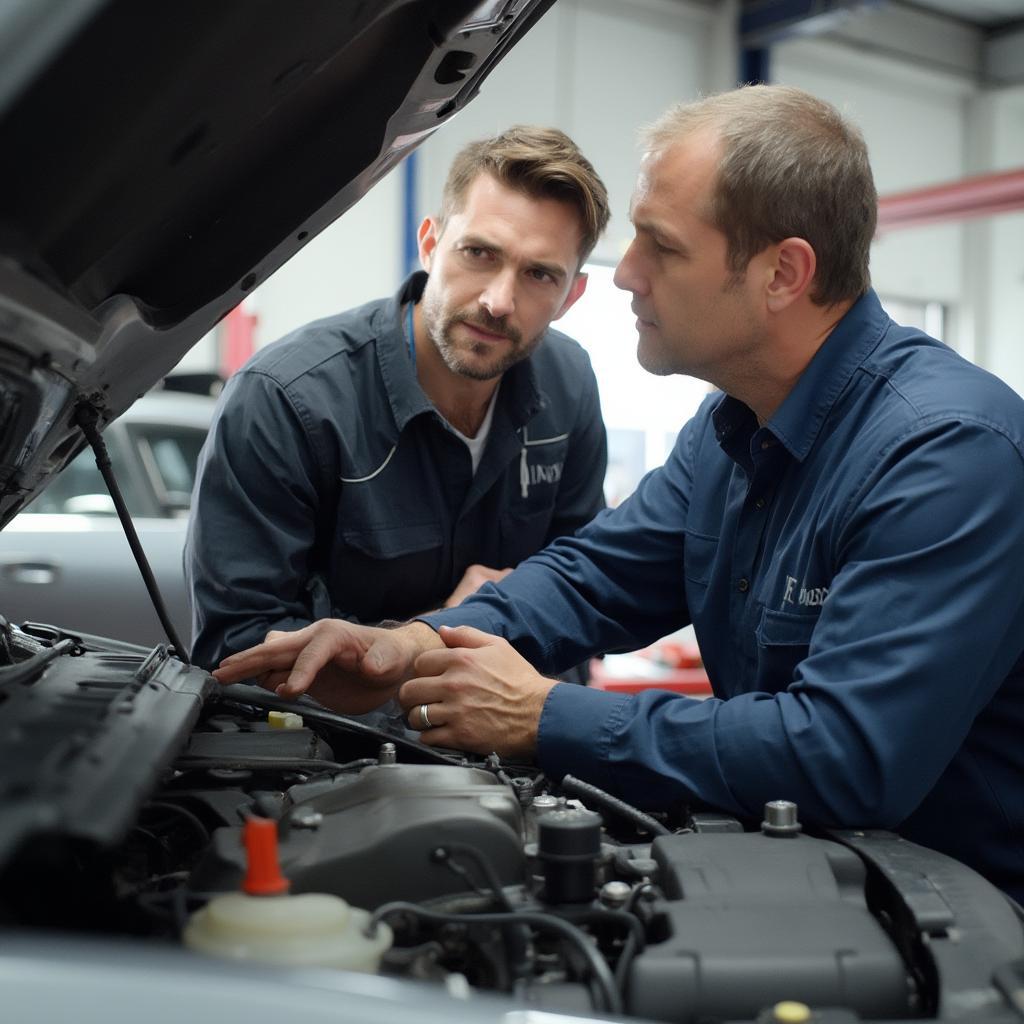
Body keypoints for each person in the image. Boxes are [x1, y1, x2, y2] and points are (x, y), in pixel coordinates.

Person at [212, 86, 1024, 905]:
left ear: (784, 272)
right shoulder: (729, 430)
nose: (626, 273)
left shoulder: (947, 453)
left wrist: (546, 715)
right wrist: (417, 642)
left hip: (965, 919)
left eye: (661, 247)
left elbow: (846, 756)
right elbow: (590, 576)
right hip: (820, 876)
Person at [186, 125, 610, 669]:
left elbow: (588, 591)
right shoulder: (287, 401)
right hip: (336, 749)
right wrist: (440, 636)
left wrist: (520, 617)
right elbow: (239, 649)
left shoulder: (569, 382)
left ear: (571, 295)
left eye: (539, 275)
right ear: (430, 245)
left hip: (515, 737)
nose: (500, 300)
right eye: (479, 253)